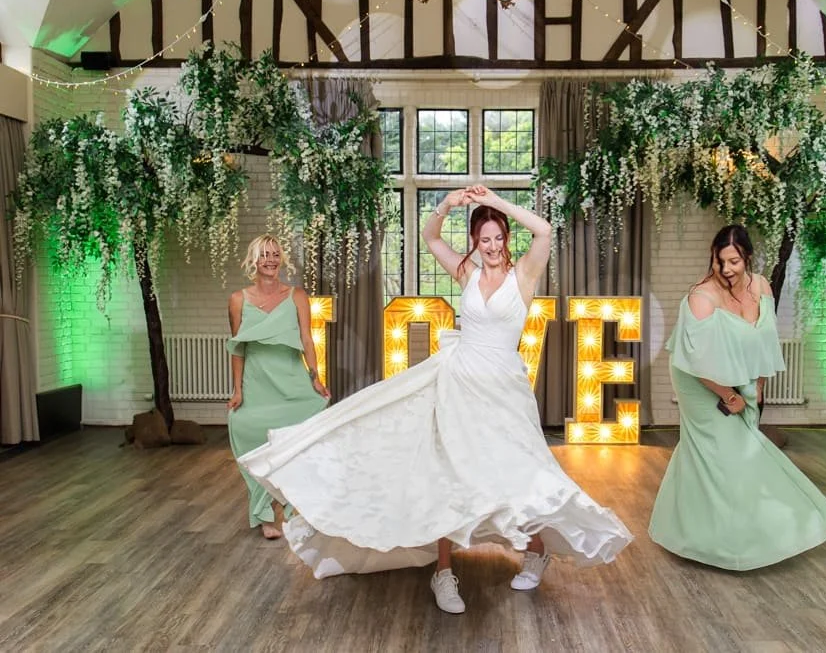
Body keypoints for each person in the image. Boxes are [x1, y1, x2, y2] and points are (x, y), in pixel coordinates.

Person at [237, 186, 632, 614]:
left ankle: (535, 551)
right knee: (444, 474)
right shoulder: (467, 272)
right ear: (476, 244)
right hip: (456, 382)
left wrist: (495, 203)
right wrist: (446, 206)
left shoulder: (524, 275)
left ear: (506, 239)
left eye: (499, 238)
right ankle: (444, 573)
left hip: (503, 389)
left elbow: (544, 229)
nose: (494, 246)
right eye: (485, 239)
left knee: (520, 472)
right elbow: (430, 237)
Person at [648, 224, 826, 570]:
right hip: (700, 380)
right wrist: (729, 395)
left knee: (736, 449)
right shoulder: (701, 297)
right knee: (727, 451)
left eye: (734, 261)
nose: (726, 269)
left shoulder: (761, 287)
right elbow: (695, 362)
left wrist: (756, 393)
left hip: (738, 375)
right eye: (720, 261)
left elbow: (763, 344)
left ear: (748, 258)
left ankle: (704, 531)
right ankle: (725, 543)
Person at [226, 234, 330, 540]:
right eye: (264, 255)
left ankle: (300, 511)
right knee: (260, 442)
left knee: (297, 442)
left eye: (275, 255)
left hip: (290, 376)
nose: (270, 260)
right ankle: (268, 512)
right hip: (257, 379)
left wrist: (315, 377)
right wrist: (237, 390)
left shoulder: (297, 295)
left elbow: (308, 340)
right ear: (253, 261)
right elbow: (237, 348)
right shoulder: (237, 300)